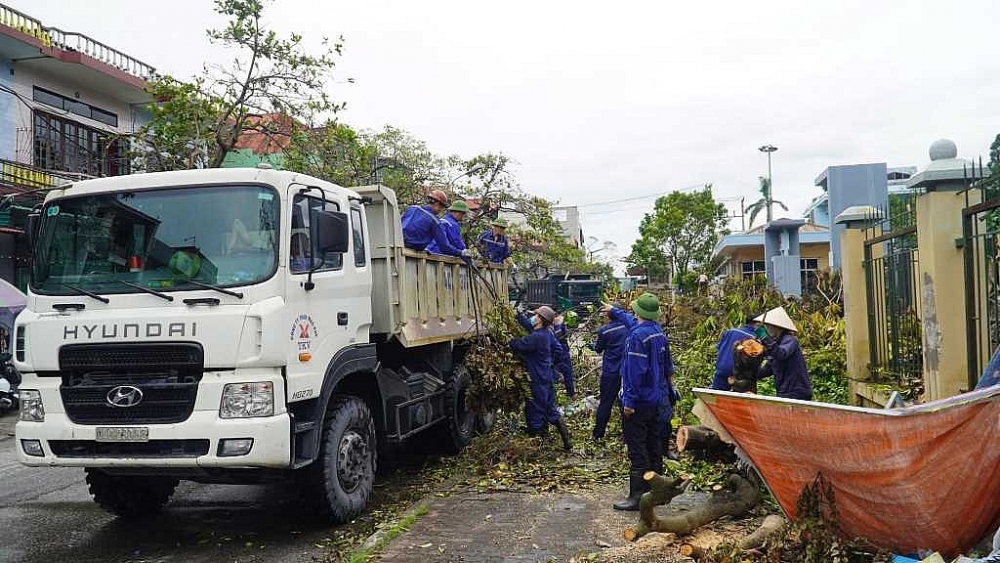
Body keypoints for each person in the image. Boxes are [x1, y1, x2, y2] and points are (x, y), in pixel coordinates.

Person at [612, 292, 673, 511]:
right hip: (656, 399)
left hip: (638, 402)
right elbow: (668, 368)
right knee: (653, 444)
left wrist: (629, 401)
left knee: (637, 447)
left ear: (637, 311)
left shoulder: (636, 338)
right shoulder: (658, 333)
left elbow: (633, 373)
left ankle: (637, 496)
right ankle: (657, 491)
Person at [509, 305, 573, 451]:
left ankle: (535, 446)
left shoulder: (536, 337)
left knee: (535, 410)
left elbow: (518, 345)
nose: (534, 317)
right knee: (550, 409)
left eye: (536, 315)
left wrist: (509, 340)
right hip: (547, 377)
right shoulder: (547, 333)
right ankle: (566, 441)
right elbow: (558, 349)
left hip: (537, 380)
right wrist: (550, 363)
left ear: (540, 320)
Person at [754, 306, 813, 401]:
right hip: (784, 392)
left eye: (769, 326)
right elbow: (767, 370)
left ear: (777, 327)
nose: (767, 329)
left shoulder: (790, 340)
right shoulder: (775, 344)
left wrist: (765, 338)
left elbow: (781, 354)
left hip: (796, 392)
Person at [591, 303, 629, 441]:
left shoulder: (604, 331)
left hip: (610, 374)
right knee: (626, 404)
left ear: (608, 315)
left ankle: (598, 434)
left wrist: (592, 344)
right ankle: (627, 435)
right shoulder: (630, 327)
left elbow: (597, 349)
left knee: (605, 404)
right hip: (626, 374)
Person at [401, 190, 472, 258]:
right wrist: (461, 253)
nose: (441, 210)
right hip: (413, 254)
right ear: (438, 204)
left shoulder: (411, 208)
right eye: (442, 207)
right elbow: (445, 247)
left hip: (398, 246)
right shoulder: (435, 221)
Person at [711, 314, 760, 391]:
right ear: (757, 324)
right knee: (739, 401)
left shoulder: (731, 331)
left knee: (717, 397)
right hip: (740, 376)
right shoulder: (755, 339)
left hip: (722, 369)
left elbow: (719, 347)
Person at [550, 315, 576, 398]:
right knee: (564, 374)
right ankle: (570, 393)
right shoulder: (557, 327)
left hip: (557, 354)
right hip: (560, 353)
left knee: (559, 374)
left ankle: (569, 393)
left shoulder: (549, 327)